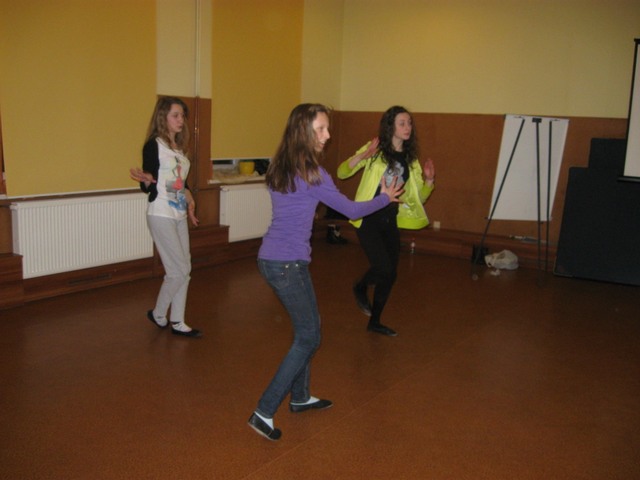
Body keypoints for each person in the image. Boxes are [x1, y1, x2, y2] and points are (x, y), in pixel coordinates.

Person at [248, 103, 404, 441]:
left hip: (274, 258)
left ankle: (301, 397)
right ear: (302, 131)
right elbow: (351, 210)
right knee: (309, 337)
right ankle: (264, 410)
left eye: (327, 128)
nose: (327, 134)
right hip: (286, 263)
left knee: (309, 327)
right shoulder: (312, 173)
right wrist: (384, 198)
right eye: (320, 128)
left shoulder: (281, 164)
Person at [337, 105, 436, 337]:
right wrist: (363, 156)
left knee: (390, 274)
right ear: (390, 126)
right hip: (368, 217)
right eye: (402, 123)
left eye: (409, 123)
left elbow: (418, 197)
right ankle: (360, 285)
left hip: (390, 219)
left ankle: (375, 321)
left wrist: (429, 181)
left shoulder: (411, 160)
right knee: (383, 268)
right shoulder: (375, 149)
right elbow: (342, 172)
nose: (407, 127)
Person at [129, 96, 202, 338]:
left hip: (178, 214)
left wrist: (190, 202)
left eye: (182, 116)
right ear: (163, 117)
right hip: (160, 213)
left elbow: (181, 183)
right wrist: (147, 179)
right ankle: (159, 313)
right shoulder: (154, 145)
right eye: (175, 115)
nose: (181, 120)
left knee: (184, 269)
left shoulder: (179, 148)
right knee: (178, 270)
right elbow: (149, 181)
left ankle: (177, 320)